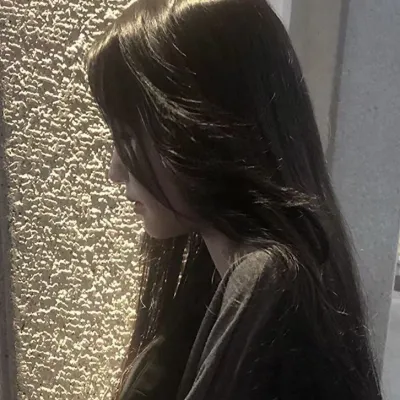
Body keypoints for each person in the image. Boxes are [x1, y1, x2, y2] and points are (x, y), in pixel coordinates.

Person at [85, 0, 383, 399]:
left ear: (203, 124)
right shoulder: (220, 280)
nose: (115, 169)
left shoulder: (266, 283)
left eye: (128, 135)